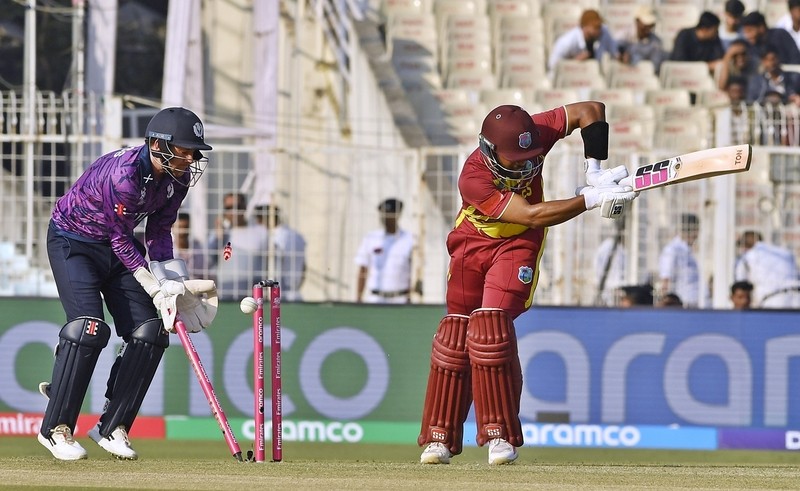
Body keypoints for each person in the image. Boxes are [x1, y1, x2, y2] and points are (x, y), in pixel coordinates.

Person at [417, 103, 638, 465]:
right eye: (515, 161)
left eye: (529, 159)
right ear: (490, 152)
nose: (524, 167)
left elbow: (590, 110)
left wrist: (594, 170)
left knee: (490, 327)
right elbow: (532, 210)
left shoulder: (534, 134)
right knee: (455, 336)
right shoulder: (473, 176)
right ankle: (438, 436)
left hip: (518, 243)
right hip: (472, 242)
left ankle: (499, 435)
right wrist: (591, 198)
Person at [38, 107, 218, 461]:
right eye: (183, 151)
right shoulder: (124, 174)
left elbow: (158, 231)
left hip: (115, 246)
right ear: (157, 145)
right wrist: (153, 288)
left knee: (152, 332)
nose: (189, 159)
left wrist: (173, 284)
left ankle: (111, 426)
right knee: (89, 330)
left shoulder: (174, 179)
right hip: (74, 242)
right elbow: (120, 239)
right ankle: (55, 428)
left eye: (193, 152)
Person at [355, 198, 415, 304]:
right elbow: (363, 269)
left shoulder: (409, 239)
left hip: (400, 298)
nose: (386, 218)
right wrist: (359, 297)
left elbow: (413, 270)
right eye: (384, 214)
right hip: (375, 298)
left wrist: (410, 295)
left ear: (398, 215)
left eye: (389, 214)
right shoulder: (371, 238)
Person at [213, 193, 268, 300]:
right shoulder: (220, 235)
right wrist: (218, 237)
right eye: (229, 208)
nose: (234, 212)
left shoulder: (260, 232)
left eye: (237, 207)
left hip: (254, 295)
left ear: (245, 208)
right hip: (226, 295)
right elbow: (208, 262)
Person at [734, 230, 800, 308]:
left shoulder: (748, 256)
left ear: (744, 246)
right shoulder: (784, 253)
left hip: (772, 301)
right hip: (797, 298)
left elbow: (740, 286)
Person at [255, 204, 307, 302]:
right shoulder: (297, 236)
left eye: (258, 220)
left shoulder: (273, 238)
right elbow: (304, 267)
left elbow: (272, 265)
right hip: (296, 293)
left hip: (277, 294)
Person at [547, 9, 619, 75]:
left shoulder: (602, 33)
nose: (599, 30)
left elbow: (614, 52)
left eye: (599, 26)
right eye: (596, 27)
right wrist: (575, 62)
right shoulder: (566, 42)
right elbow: (552, 66)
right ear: (585, 26)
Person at [658, 213, 701, 308]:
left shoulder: (688, 250)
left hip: (693, 301)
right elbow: (665, 279)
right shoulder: (672, 249)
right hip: (681, 303)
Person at [617, 5, 666, 74]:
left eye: (651, 24)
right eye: (646, 24)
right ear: (637, 21)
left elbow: (655, 67)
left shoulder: (656, 42)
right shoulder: (622, 36)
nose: (649, 28)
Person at [594, 219, 626, 306]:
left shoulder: (621, 248)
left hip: (617, 288)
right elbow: (599, 270)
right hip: (610, 289)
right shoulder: (607, 247)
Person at [173, 212, 206, 278]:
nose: (182, 232)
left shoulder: (197, 248)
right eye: (179, 227)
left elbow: (203, 272)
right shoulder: (168, 250)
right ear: (173, 228)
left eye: (185, 227)